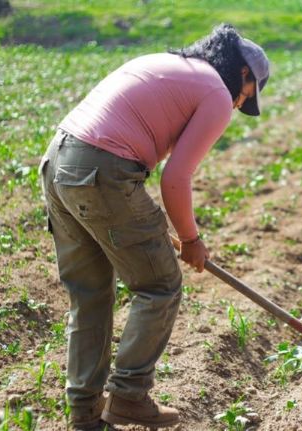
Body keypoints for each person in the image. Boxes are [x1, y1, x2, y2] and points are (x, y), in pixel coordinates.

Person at [39, 24, 269, 431]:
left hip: (58, 162)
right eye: (246, 96)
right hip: (102, 170)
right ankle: (129, 394)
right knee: (160, 284)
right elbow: (175, 178)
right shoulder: (217, 92)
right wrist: (192, 239)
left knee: (90, 295)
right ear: (243, 73)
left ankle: (85, 414)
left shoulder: (165, 63)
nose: (238, 104)